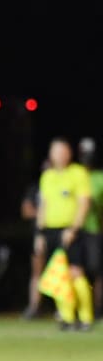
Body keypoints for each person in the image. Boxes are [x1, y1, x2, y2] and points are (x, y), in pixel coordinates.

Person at [36, 137, 94, 330]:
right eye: (55, 151)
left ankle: (86, 317)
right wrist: (40, 233)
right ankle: (67, 317)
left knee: (76, 272)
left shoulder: (77, 173)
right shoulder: (47, 176)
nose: (59, 155)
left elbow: (83, 204)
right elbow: (43, 206)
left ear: (69, 153)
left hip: (71, 231)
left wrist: (73, 229)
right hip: (51, 231)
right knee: (59, 275)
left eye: (62, 151)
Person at [77, 137, 103, 319]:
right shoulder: (75, 174)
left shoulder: (99, 177)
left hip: (94, 230)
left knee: (95, 270)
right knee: (77, 271)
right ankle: (78, 310)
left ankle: (98, 308)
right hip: (75, 230)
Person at [20, 159, 49, 320]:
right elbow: (26, 210)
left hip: (57, 232)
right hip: (39, 233)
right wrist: (45, 214)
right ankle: (34, 306)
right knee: (37, 272)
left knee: (60, 271)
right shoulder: (36, 188)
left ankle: (63, 309)